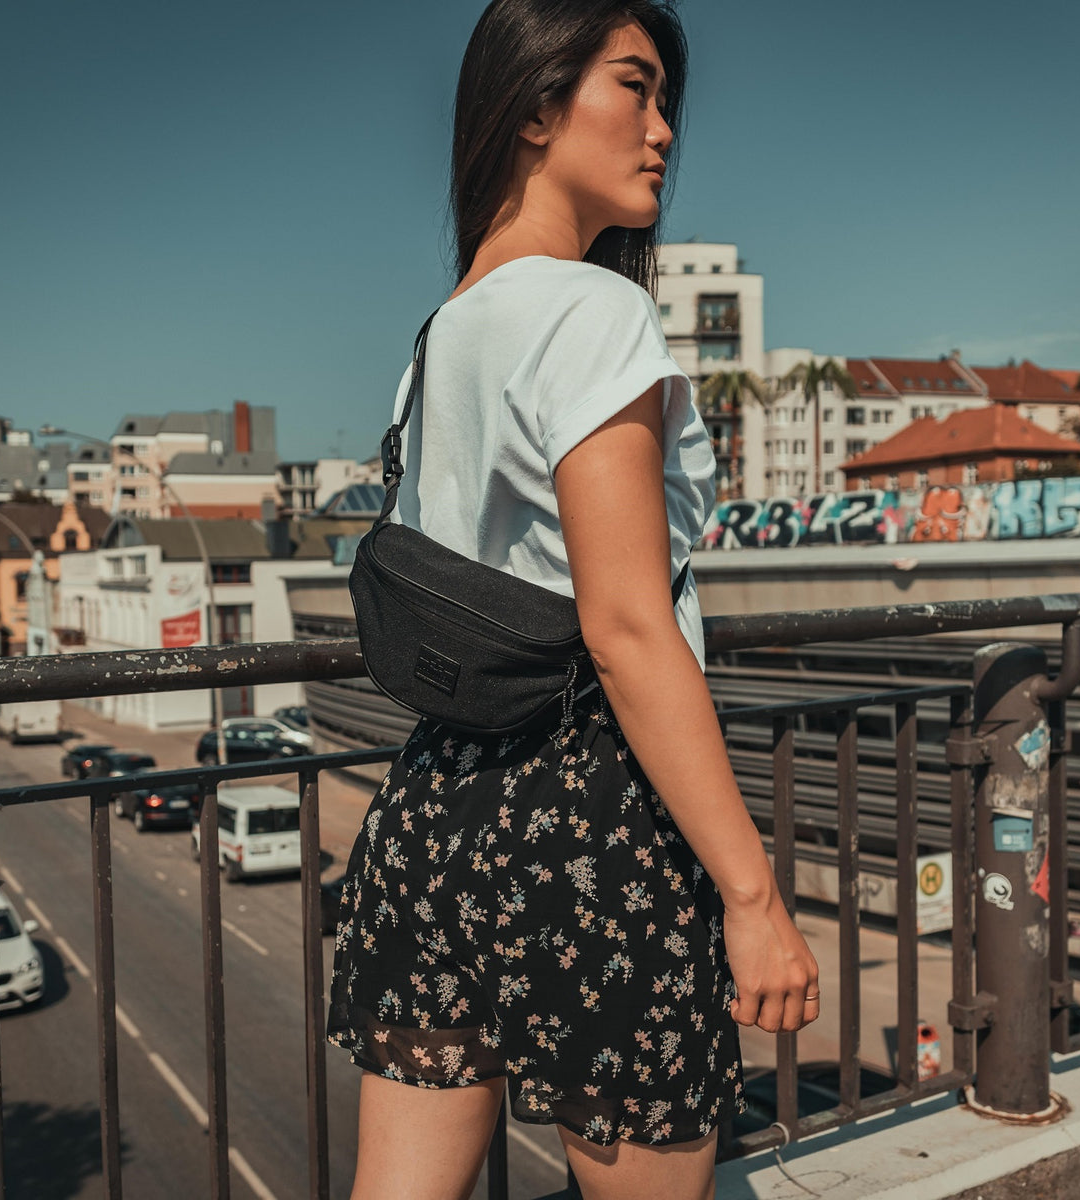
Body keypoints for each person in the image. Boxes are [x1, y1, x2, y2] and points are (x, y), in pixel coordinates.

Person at [326, 3, 819, 1197]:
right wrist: (752, 897)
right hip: (597, 822)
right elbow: (627, 624)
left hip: (440, 808)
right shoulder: (595, 311)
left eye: (667, 103)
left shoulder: (437, 339)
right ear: (538, 105)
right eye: (636, 89)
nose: (662, 131)